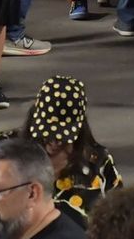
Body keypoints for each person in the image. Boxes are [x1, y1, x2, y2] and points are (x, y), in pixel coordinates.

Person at [22, 75, 122, 223]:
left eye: (62, 135)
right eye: (47, 131)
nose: (55, 141)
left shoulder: (98, 162)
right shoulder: (8, 154)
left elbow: (120, 214)